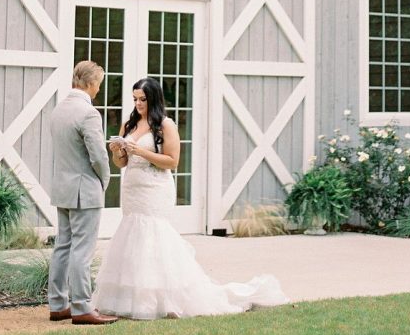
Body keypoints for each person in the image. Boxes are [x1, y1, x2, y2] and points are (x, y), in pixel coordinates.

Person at [94, 77, 288, 320]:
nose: (138, 104)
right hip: (133, 188)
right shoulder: (129, 125)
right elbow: (121, 164)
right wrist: (118, 152)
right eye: (135, 99)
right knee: (132, 234)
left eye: (142, 99)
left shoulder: (165, 125)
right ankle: (129, 297)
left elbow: (172, 162)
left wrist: (140, 151)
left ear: (153, 99)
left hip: (155, 189)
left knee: (154, 235)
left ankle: (164, 299)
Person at [47, 60, 119, 325]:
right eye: (98, 84)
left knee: (63, 247)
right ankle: (82, 308)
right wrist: (105, 179)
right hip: (84, 190)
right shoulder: (89, 113)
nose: (98, 90)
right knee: (82, 250)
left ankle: (57, 304)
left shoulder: (58, 110)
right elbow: (99, 155)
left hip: (62, 188)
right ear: (89, 84)